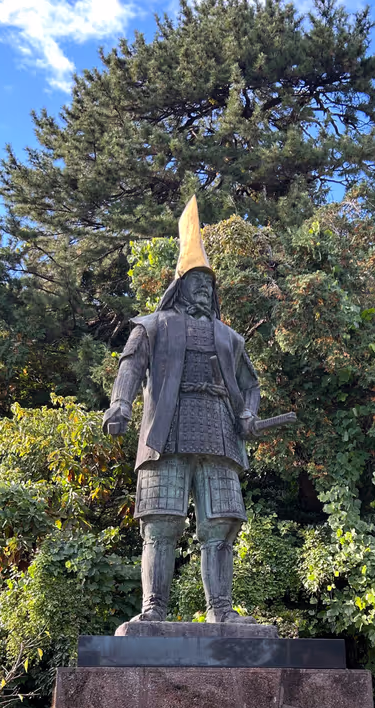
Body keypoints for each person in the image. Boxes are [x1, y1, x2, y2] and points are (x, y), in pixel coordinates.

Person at [102, 196, 261, 623]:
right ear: (181, 286)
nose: (205, 289)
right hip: (166, 432)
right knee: (160, 524)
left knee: (220, 525)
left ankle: (221, 611)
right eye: (197, 282)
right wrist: (120, 404)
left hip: (218, 434)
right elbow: (131, 367)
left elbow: (251, 386)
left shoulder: (230, 338)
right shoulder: (151, 326)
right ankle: (152, 610)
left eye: (209, 284)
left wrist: (247, 413)